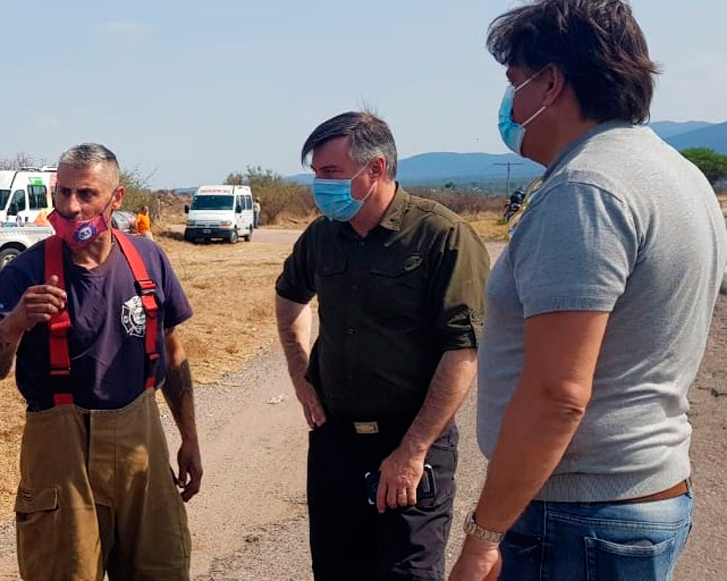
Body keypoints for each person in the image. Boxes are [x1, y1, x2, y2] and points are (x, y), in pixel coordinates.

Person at [449, 2, 727, 580]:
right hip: (639, 500)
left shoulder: (586, 188)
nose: (510, 104)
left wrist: (482, 537)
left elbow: (558, 394)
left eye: (513, 83)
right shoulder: (678, 175)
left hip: (579, 520)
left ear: (549, 82)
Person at [0, 143, 200, 581]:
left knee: (163, 567)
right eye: (63, 192)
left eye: (86, 194)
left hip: (141, 440)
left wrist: (190, 439)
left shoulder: (147, 259)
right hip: (60, 448)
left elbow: (172, 352)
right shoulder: (26, 271)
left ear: (117, 199)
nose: (71, 207)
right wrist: (15, 324)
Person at [276, 111, 490, 580]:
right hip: (335, 441)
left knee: (405, 573)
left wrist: (412, 452)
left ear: (374, 169)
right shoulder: (321, 237)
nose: (319, 185)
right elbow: (290, 297)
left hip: (412, 441)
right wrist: (300, 377)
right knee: (336, 570)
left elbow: (463, 351)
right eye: (315, 173)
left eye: (329, 173)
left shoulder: (442, 237)